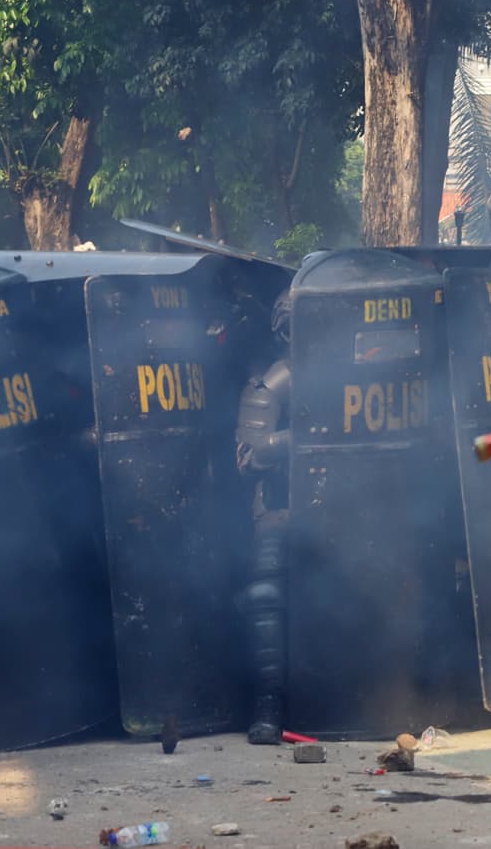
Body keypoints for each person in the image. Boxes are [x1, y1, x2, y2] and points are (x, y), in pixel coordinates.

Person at [234, 292, 292, 744]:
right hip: (280, 508)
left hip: (351, 506)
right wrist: (309, 432)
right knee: (265, 595)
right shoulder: (275, 383)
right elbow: (248, 456)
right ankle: (267, 704)